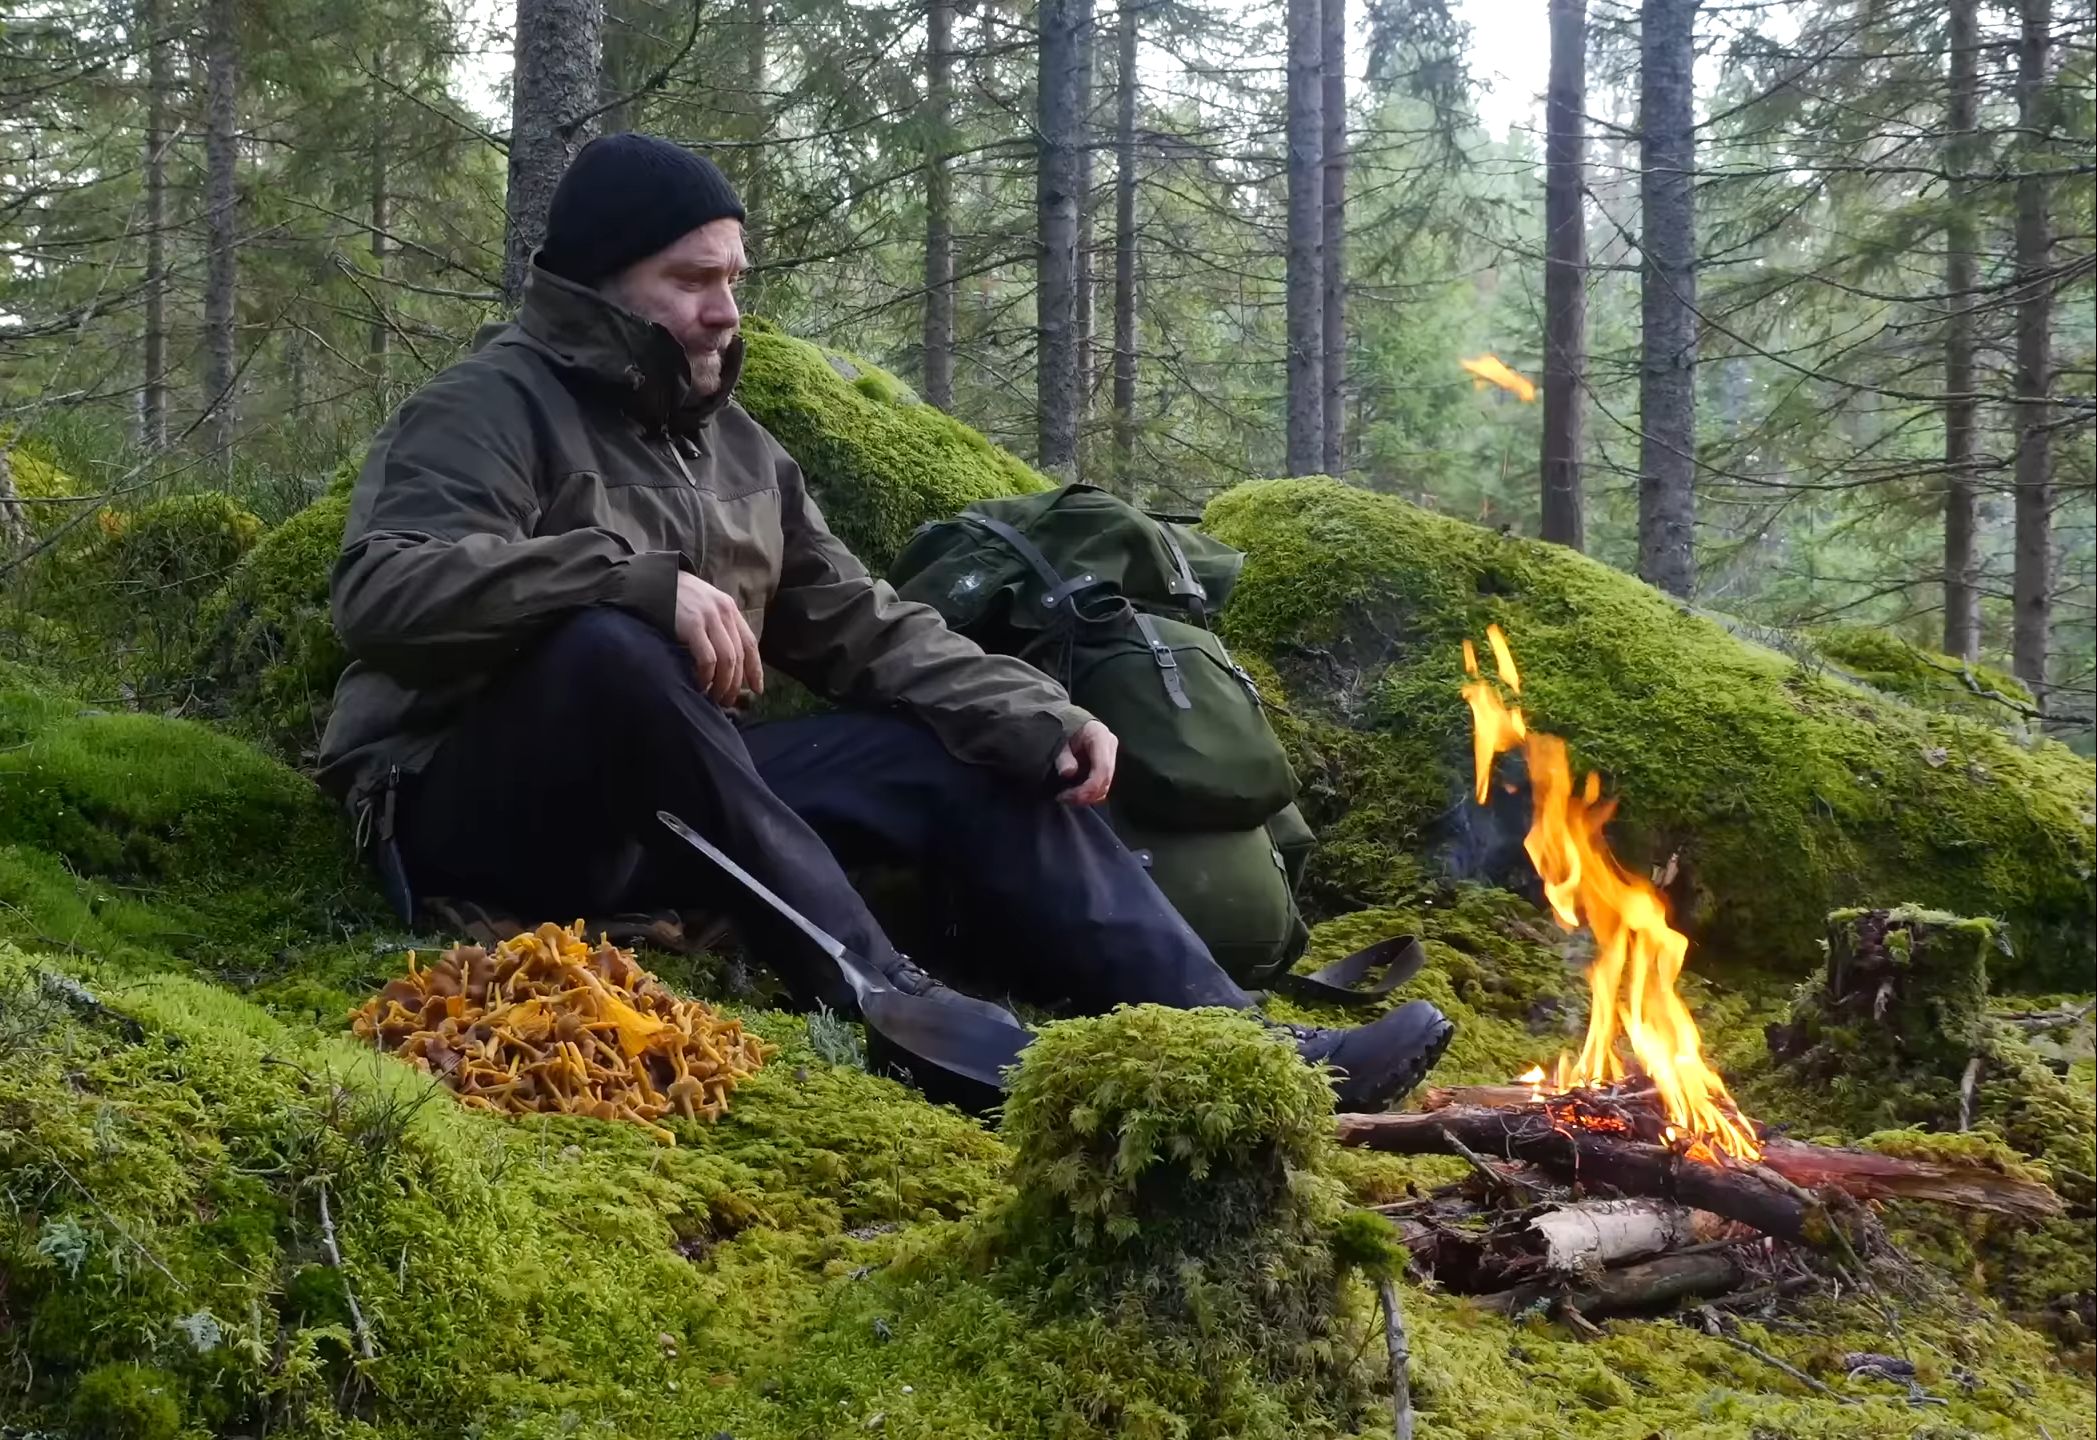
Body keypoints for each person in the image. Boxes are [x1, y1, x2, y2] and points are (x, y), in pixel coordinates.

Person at [316, 132, 1452, 1110]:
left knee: (958, 743)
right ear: (601, 284)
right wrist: (625, 578)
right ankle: (893, 1000)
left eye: (733, 277)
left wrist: (1029, 709)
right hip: (474, 807)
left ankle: (1241, 1039)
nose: (725, 309)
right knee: (610, 644)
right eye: (691, 278)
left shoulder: (741, 449)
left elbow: (860, 624)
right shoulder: (486, 407)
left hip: (676, 802)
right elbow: (381, 595)